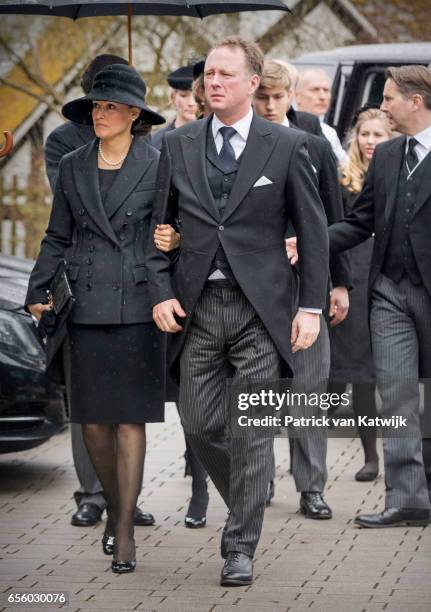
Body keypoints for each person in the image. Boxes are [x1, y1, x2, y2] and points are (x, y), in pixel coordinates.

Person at [147, 37, 329, 586]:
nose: (213, 82)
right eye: (208, 74)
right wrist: (161, 290)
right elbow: (155, 235)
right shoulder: (175, 145)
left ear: (254, 82)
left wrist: (312, 308)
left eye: (226, 73)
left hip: (262, 311)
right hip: (197, 308)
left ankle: (239, 545)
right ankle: (252, 489)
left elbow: (315, 233)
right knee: (200, 423)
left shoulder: (289, 144)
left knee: (251, 431)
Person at [26, 64, 166, 573]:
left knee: (129, 419)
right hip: (84, 302)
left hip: (138, 302)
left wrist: (173, 246)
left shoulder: (159, 161)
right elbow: (56, 235)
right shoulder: (73, 165)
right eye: (96, 106)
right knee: (91, 423)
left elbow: (173, 227)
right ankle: (112, 504)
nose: (100, 113)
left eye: (111, 106)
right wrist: (37, 289)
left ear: (134, 114)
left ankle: (124, 527)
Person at [329, 65, 431, 527]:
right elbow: (360, 221)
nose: (384, 105)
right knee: (394, 394)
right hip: (389, 291)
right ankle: (406, 499)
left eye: (390, 98)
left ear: (416, 101)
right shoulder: (388, 155)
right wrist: (310, 240)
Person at [253, 59, 351, 518]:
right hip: (254, 284)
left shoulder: (314, 146)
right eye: (263, 97)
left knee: (309, 388)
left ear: (291, 94)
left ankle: (312, 487)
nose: (271, 106)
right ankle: (258, 481)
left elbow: (337, 219)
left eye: (279, 96)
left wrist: (341, 283)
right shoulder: (237, 148)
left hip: (307, 283)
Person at [151, 64, 209, 530]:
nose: (195, 103)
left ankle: (245, 471)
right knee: (193, 393)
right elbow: (158, 218)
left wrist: (184, 235)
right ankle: (200, 485)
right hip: (186, 288)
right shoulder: (162, 146)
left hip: (237, 286)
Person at [329, 106, 394, 482]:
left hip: (383, 278)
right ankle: (368, 455)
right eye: (365, 135)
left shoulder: (397, 175)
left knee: (370, 373)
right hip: (351, 277)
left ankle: (377, 456)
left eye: (378, 135)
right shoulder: (343, 181)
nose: (370, 142)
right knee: (350, 371)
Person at [295, 68, 348, 164]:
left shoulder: (329, 132)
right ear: (296, 96)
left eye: (326, 90)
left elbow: (343, 167)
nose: (322, 97)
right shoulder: (285, 125)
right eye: (315, 89)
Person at [151, 64, 198, 151]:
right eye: (184, 96)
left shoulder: (217, 138)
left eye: (196, 96)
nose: (191, 103)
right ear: (173, 98)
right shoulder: (156, 142)